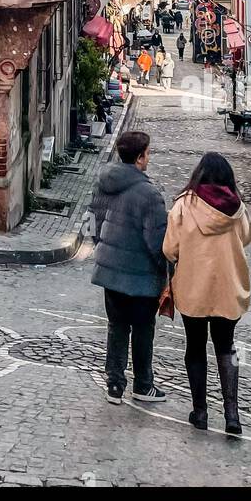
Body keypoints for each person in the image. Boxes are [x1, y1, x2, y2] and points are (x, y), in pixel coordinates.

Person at [162, 152, 251, 435]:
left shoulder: (183, 206)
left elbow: (169, 249)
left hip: (193, 288)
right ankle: (232, 413)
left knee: (195, 347)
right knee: (227, 347)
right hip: (228, 288)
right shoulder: (237, 209)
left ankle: (200, 411)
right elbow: (247, 237)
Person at [89, 130, 168, 405]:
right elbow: (158, 243)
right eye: (147, 153)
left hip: (110, 273)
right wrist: (166, 272)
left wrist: (105, 249)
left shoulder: (103, 184)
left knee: (117, 327)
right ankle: (143, 384)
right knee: (144, 329)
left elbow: (93, 223)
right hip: (141, 277)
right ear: (139, 158)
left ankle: (114, 385)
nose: (149, 158)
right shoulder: (150, 195)